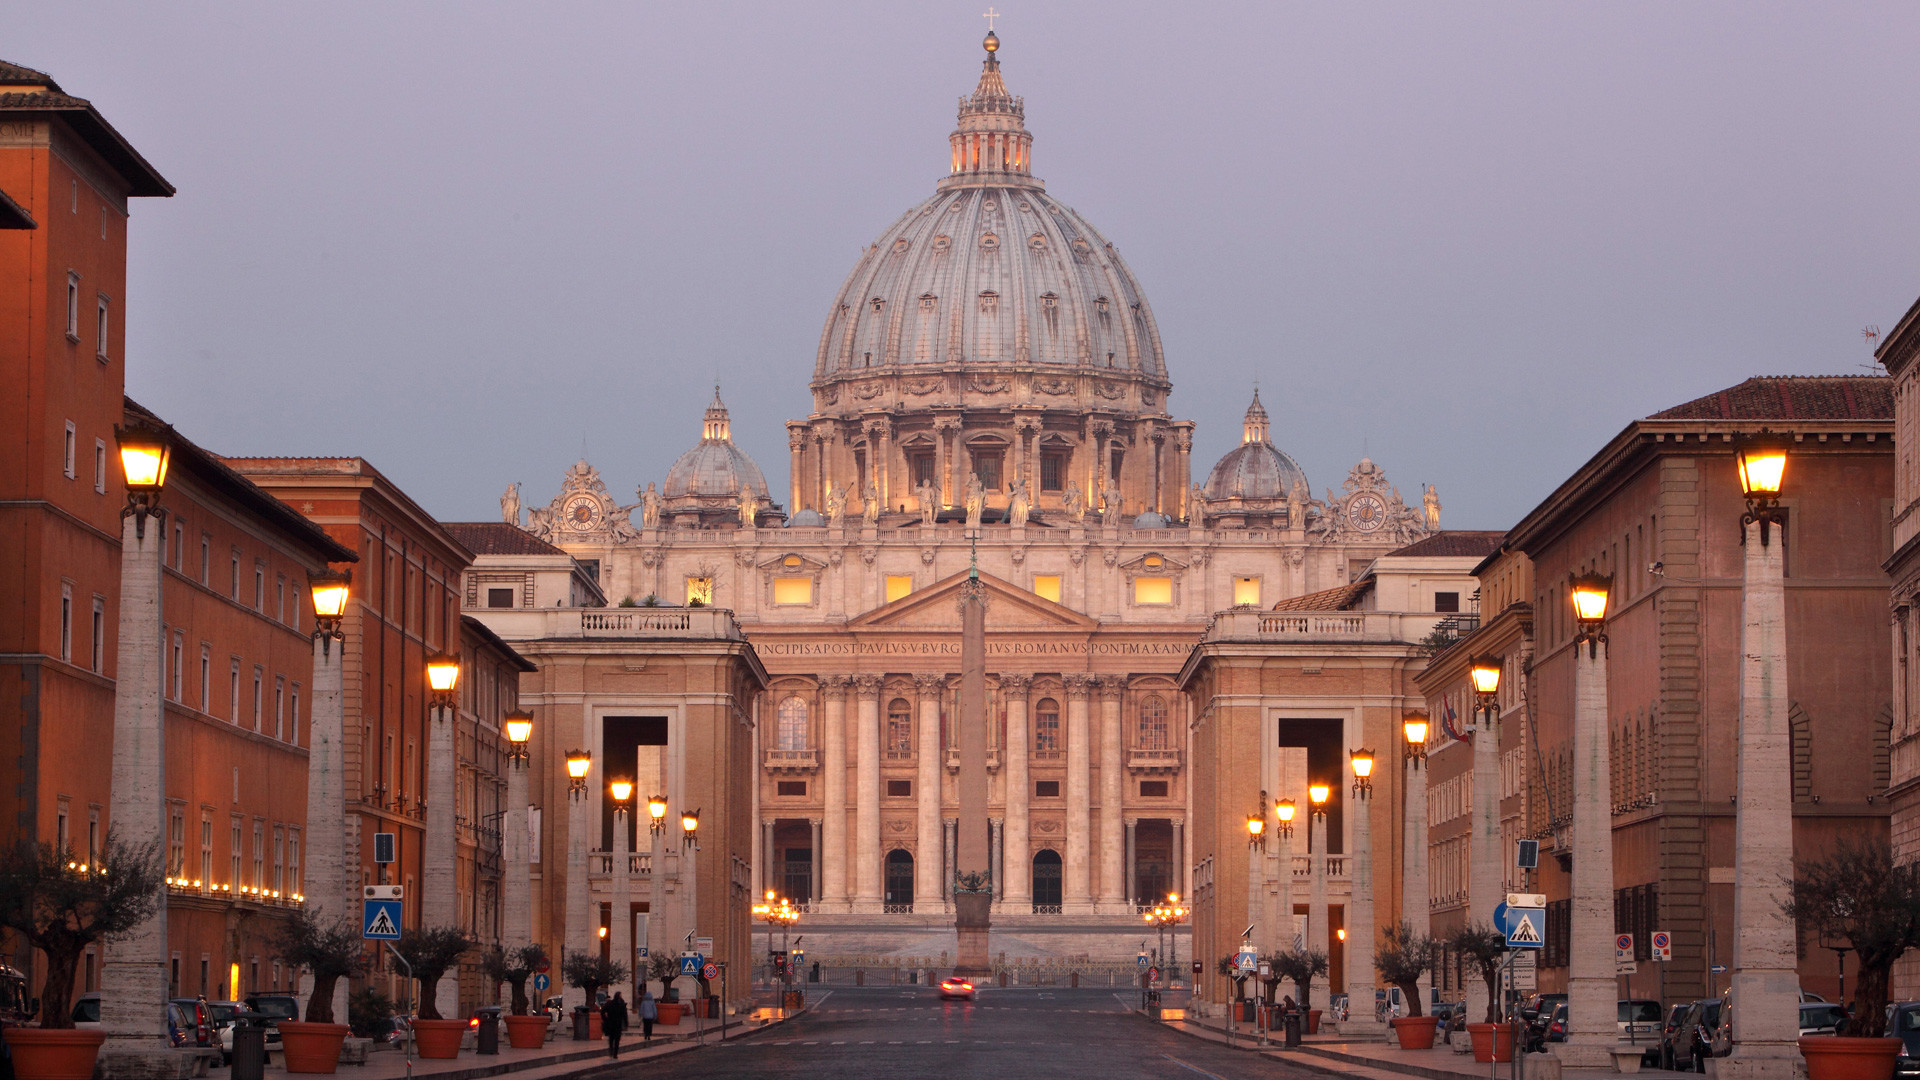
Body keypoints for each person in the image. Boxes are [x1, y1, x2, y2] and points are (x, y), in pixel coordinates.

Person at [601, 991, 628, 1059]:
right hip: (617, 1024)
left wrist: (605, 1019)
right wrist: (626, 1023)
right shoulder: (621, 1004)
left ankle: (611, 1051)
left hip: (611, 1023)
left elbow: (602, 1011)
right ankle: (615, 1053)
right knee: (616, 1040)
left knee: (611, 1038)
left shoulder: (610, 1003)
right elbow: (624, 1014)